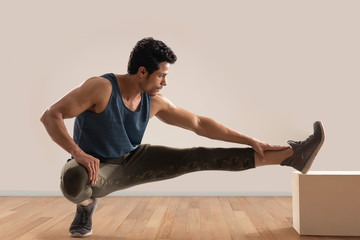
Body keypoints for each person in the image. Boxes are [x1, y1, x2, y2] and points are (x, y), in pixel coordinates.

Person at [41, 37, 325, 238]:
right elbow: (51, 115)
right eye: (161, 76)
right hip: (94, 168)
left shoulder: (154, 101)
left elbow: (200, 124)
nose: (165, 82)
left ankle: (292, 156)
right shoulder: (100, 88)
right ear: (142, 72)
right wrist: (78, 153)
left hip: (132, 161)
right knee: (73, 181)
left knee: (199, 156)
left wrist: (251, 140)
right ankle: (86, 206)